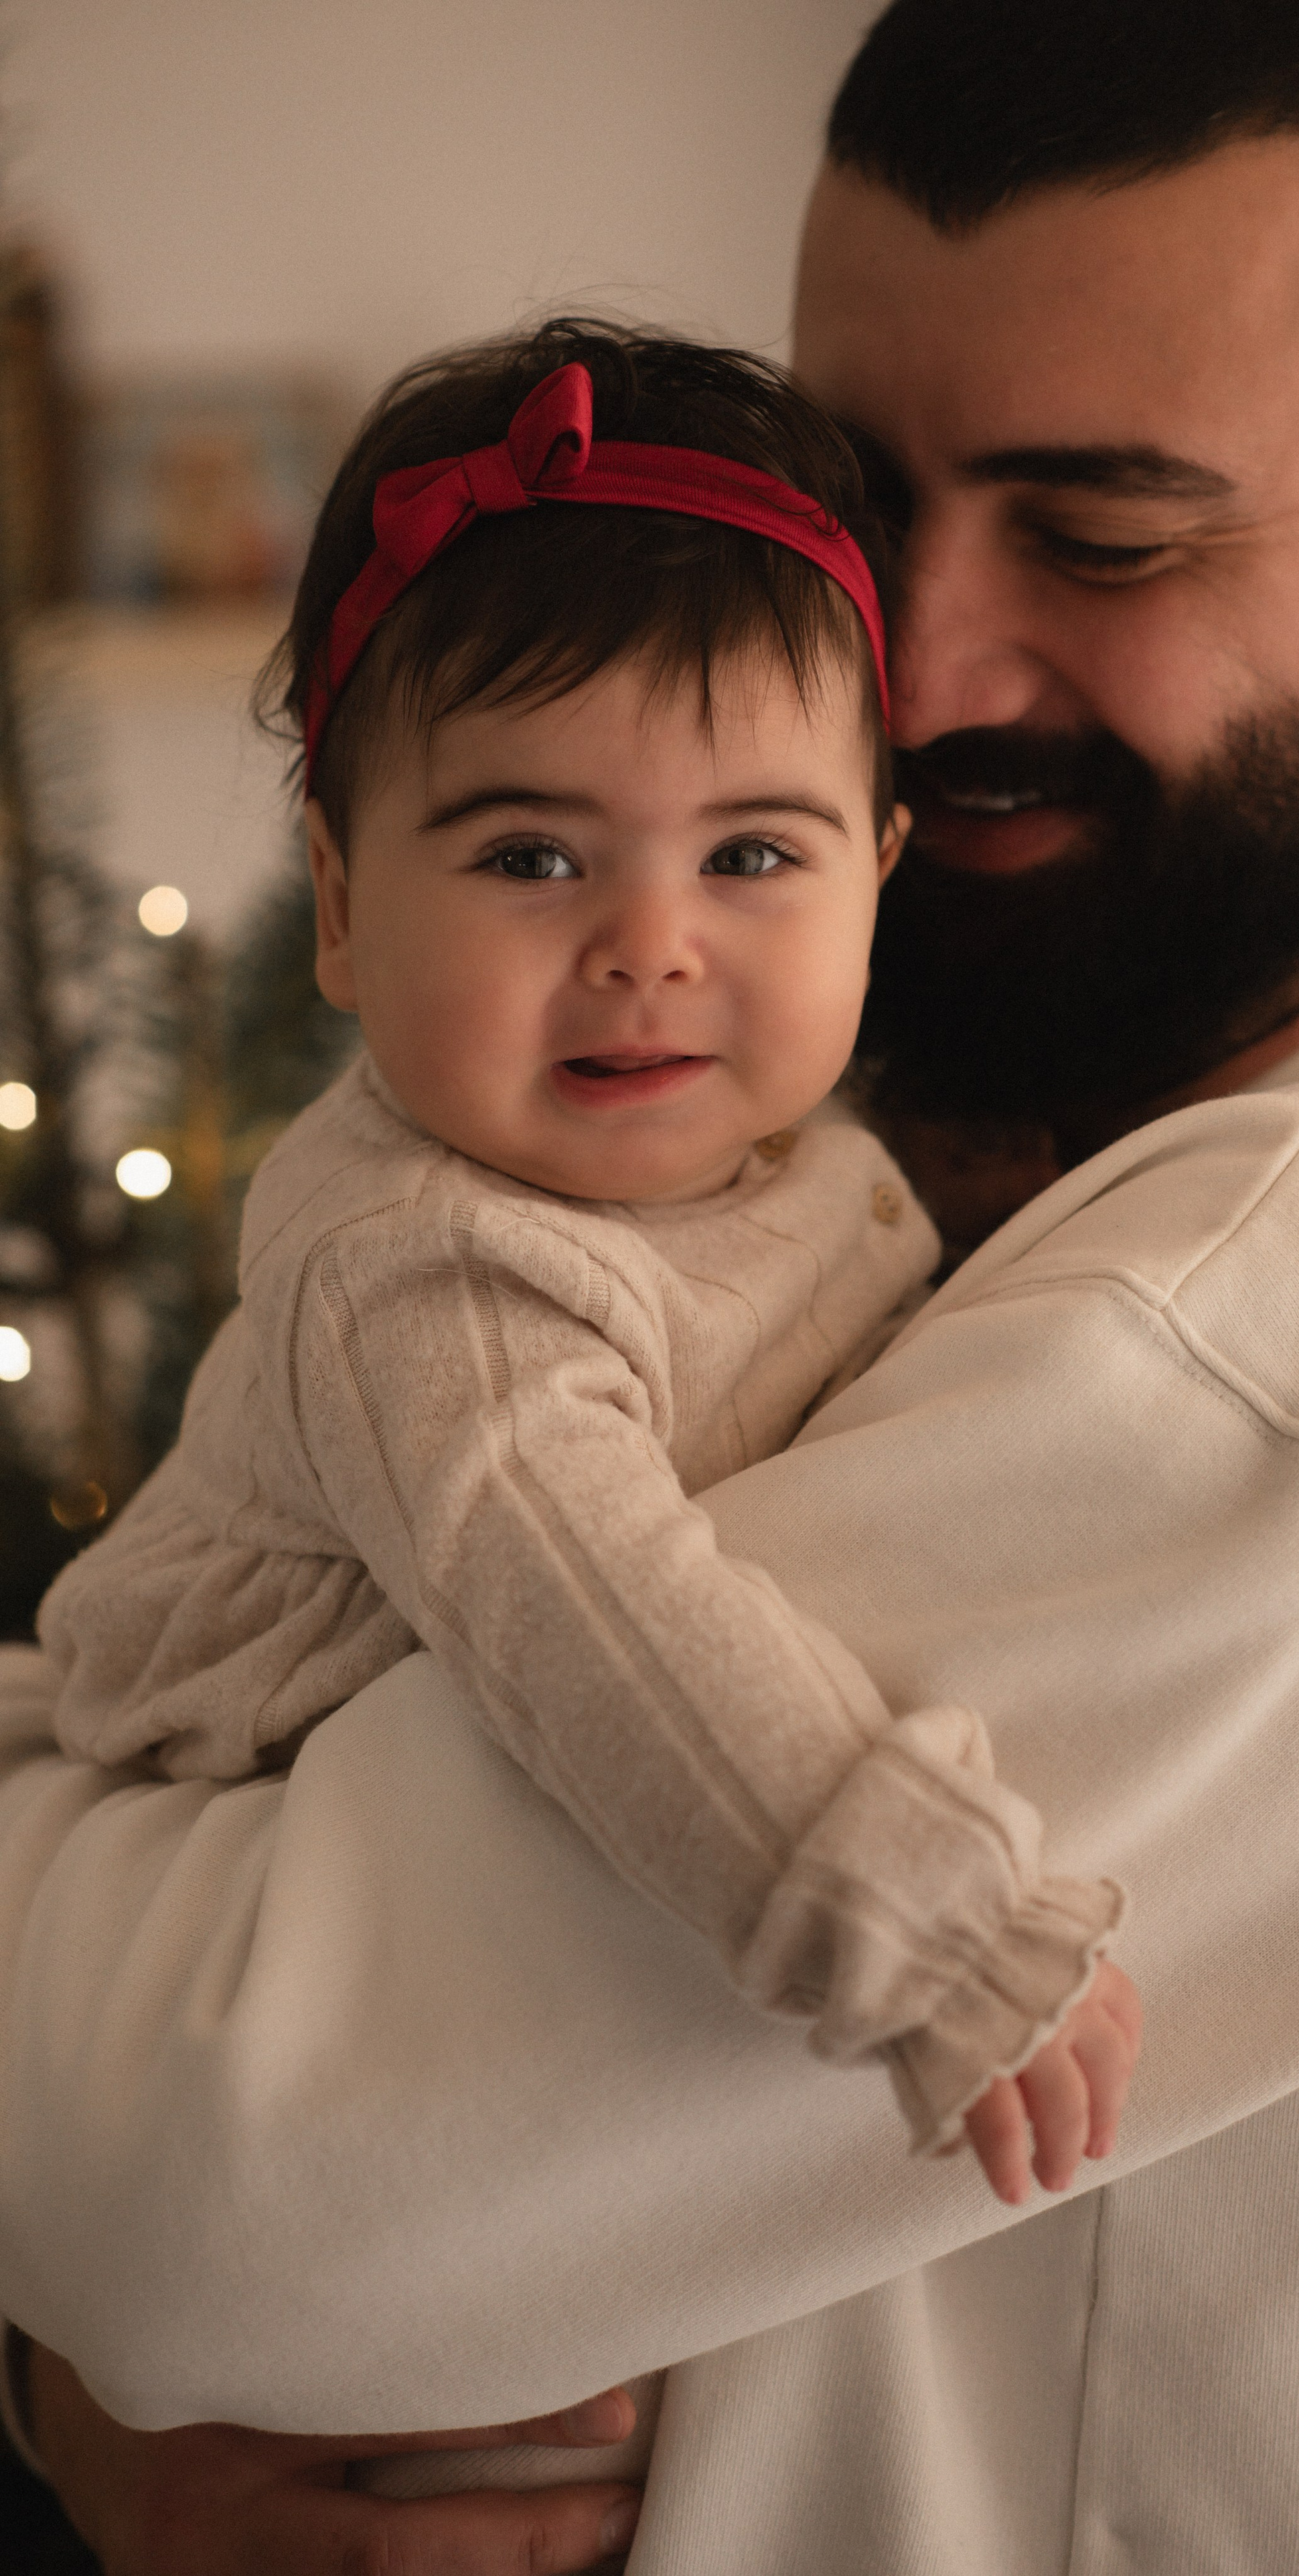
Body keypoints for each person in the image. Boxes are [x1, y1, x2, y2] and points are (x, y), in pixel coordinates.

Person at [5, 1, 1299, 2570]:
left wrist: (103, 2327)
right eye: (855, 506)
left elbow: (227, 2186)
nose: (907, 670)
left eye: (1110, 537)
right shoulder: (926, 1173)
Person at [37, 323, 1133, 2221]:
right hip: (254, 1891)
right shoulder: (427, 1271)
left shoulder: (803, 1151)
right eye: (534, 856)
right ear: (347, 904)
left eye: (755, 855)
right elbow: (608, 1629)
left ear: (882, 867)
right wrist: (932, 1932)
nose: (650, 943)